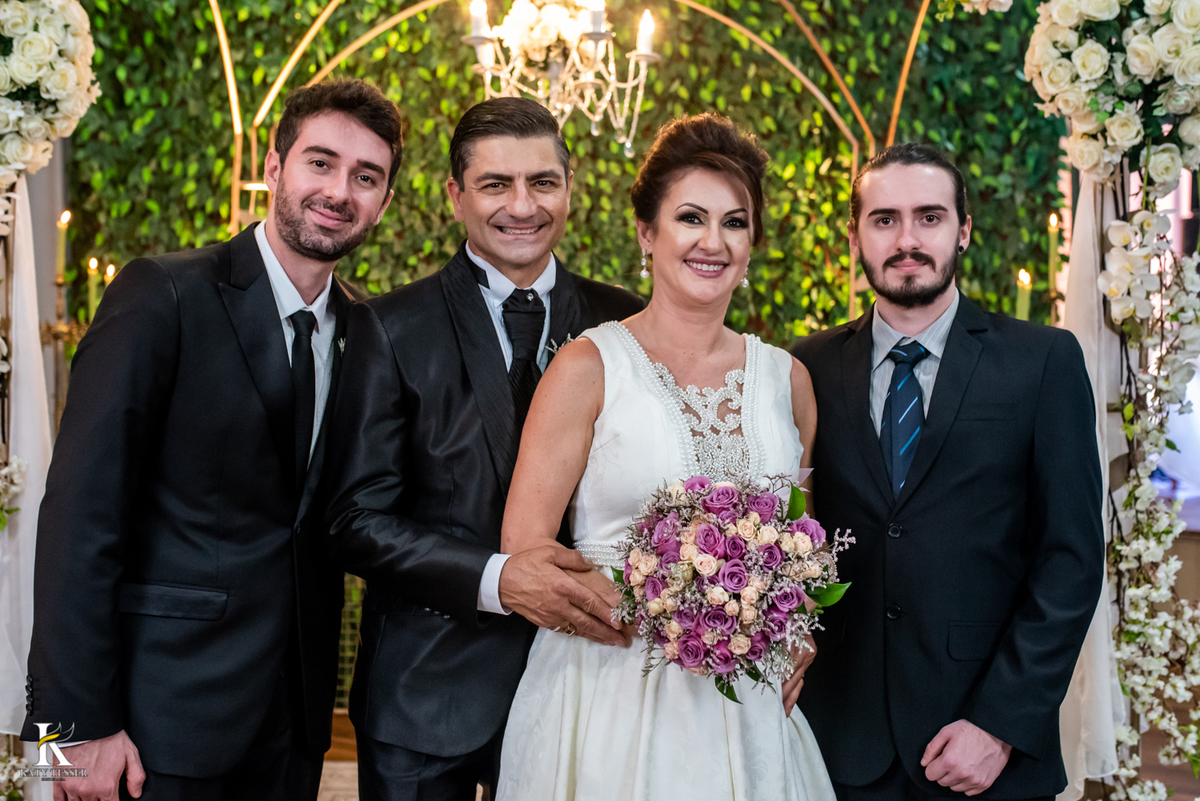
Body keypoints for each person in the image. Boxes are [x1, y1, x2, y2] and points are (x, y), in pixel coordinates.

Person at [20, 79, 402, 801]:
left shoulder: (368, 332)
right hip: (143, 722)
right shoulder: (162, 293)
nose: (339, 190)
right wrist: (70, 734)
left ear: (382, 201)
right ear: (274, 167)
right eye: (320, 162)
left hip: (293, 724)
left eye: (366, 176)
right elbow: (77, 514)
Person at [495, 113, 834, 801]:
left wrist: (794, 627)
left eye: (735, 223)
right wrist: (681, 610)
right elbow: (525, 551)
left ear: (752, 242)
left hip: (747, 706)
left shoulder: (788, 381)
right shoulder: (589, 366)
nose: (713, 242)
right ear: (648, 234)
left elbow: (803, 548)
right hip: (605, 695)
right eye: (690, 218)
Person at [323, 96, 644, 801]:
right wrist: (498, 577)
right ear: (455, 196)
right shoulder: (388, 326)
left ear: (571, 188)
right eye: (496, 184)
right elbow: (354, 519)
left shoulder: (625, 321)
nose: (522, 205)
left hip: (587, 687)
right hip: (425, 693)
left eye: (543, 182)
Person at [792, 143, 1104, 800]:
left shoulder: (1042, 362)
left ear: (964, 228)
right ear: (855, 236)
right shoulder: (804, 367)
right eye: (884, 220)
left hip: (986, 747)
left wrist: (999, 724)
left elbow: (1070, 559)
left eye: (929, 217)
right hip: (837, 742)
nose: (907, 239)